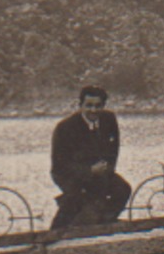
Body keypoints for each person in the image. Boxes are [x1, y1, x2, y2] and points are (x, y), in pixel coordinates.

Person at [50, 85, 133, 229]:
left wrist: (107, 169)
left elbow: (114, 150)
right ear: (80, 105)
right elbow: (60, 165)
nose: (93, 110)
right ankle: (60, 231)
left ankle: (101, 223)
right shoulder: (65, 128)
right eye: (88, 105)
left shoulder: (109, 119)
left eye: (98, 106)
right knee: (80, 199)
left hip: (100, 172)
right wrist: (89, 171)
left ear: (103, 106)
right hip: (69, 175)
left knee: (122, 189)